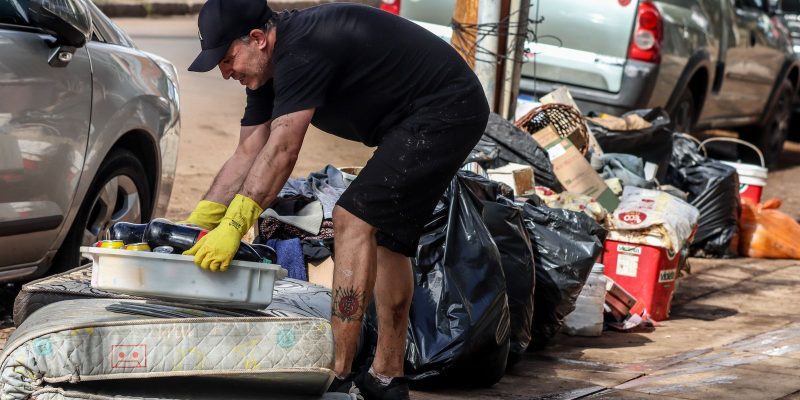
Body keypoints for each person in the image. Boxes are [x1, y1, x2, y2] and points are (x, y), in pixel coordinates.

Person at [182, 0, 489, 398]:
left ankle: (338, 376)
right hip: (415, 119)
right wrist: (200, 223)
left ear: (257, 39)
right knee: (388, 242)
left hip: (447, 108)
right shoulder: (265, 72)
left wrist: (236, 225)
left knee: (353, 218)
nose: (225, 73)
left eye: (226, 59)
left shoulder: (304, 46)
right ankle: (387, 377)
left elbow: (282, 150)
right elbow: (248, 152)